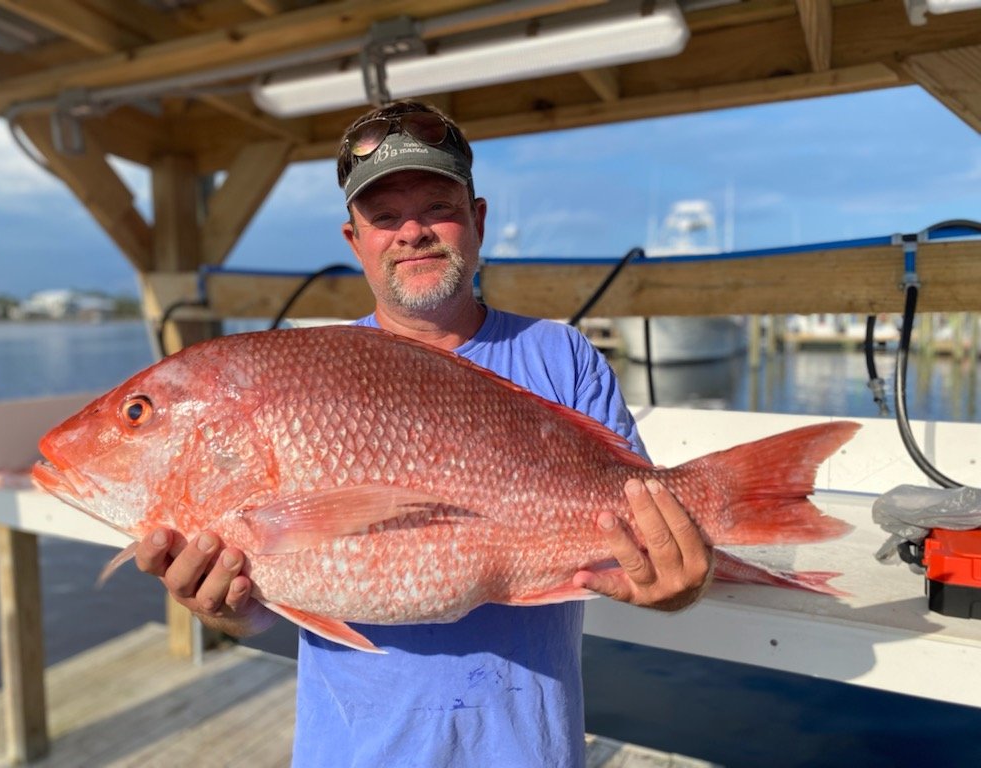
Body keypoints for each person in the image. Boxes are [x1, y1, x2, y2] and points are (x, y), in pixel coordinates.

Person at [135, 100, 712, 767]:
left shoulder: (564, 356)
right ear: (355, 241)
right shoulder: (304, 369)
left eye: (438, 207)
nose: (411, 232)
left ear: (479, 220)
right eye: (384, 217)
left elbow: (649, 540)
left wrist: (677, 582)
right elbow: (261, 607)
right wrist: (223, 606)